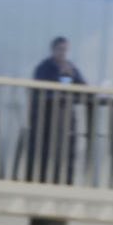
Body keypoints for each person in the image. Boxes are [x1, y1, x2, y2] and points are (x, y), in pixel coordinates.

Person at [27, 35, 87, 183]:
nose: (63, 53)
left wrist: (73, 77)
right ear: (53, 50)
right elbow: (40, 91)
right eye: (60, 50)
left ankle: (66, 180)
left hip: (64, 115)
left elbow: (84, 88)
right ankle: (37, 179)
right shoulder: (44, 67)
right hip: (44, 116)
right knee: (43, 149)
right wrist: (59, 75)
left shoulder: (70, 67)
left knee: (68, 145)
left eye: (65, 50)